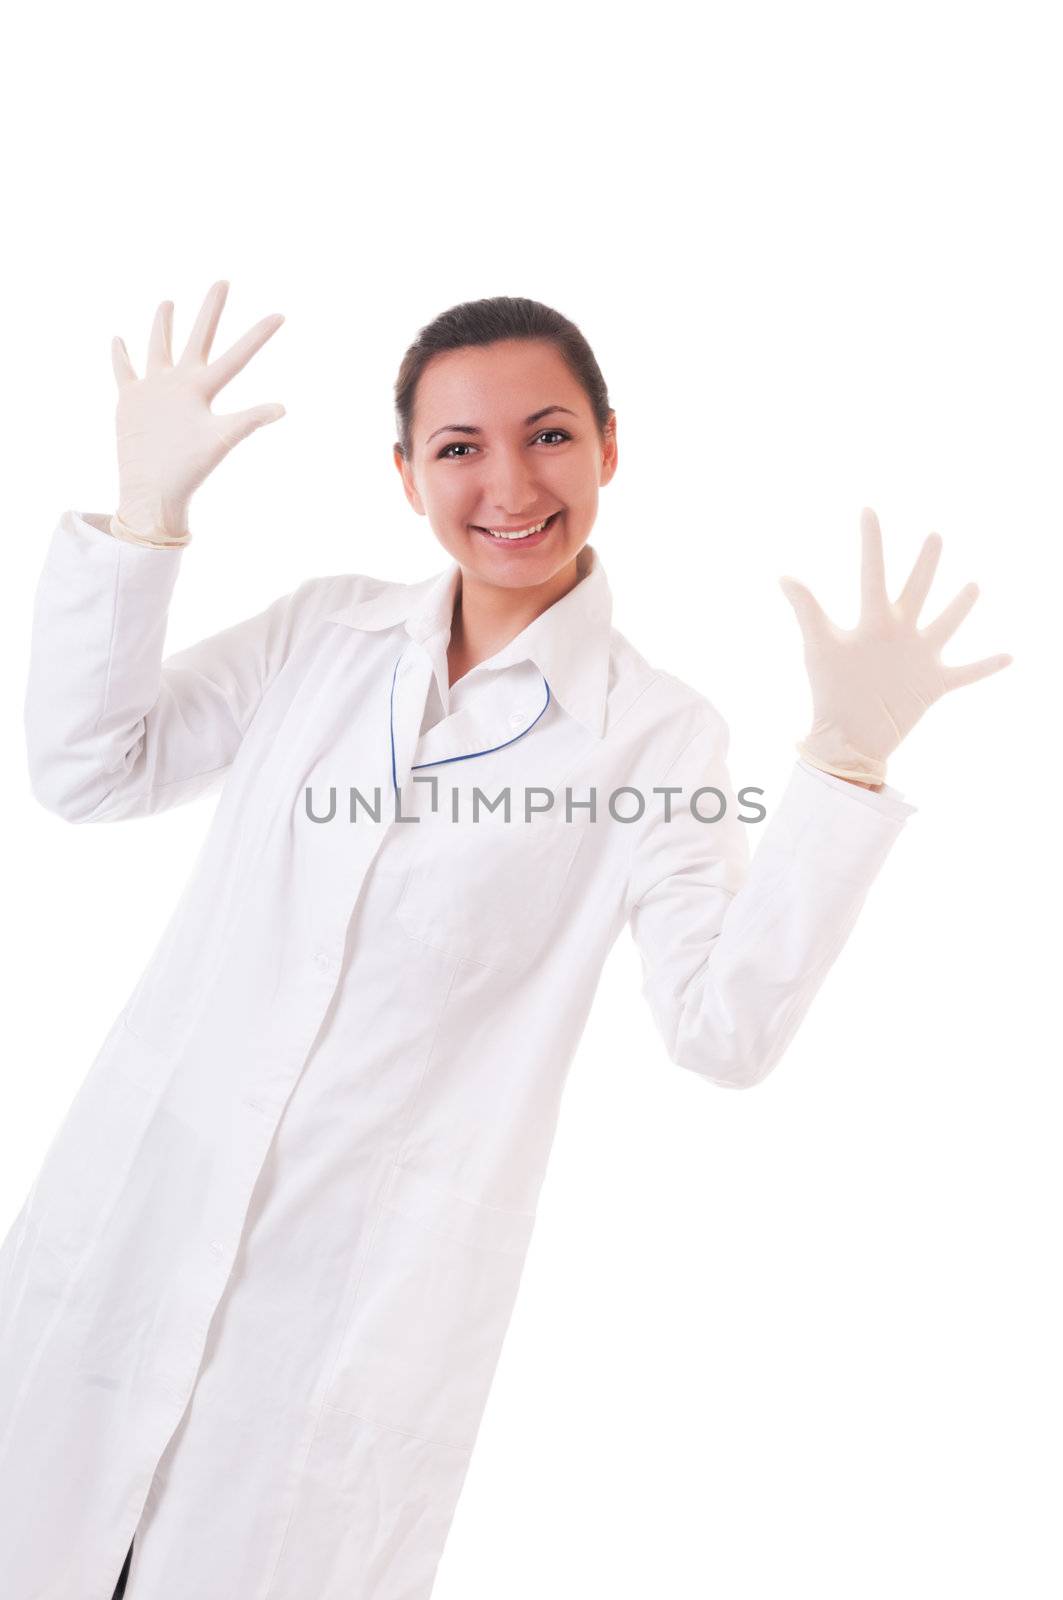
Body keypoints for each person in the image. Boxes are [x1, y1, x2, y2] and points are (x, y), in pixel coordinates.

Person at [0, 283, 1010, 1600]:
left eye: (548, 436)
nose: (510, 485)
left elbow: (723, 1030)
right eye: (459, 448)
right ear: (407, 474)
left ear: (606, 444)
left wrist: (846, 765)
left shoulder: (651, 734)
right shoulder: (322, 633)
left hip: (352, 1301)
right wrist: (144, 524)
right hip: (143, 1218)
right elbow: (93, 770)